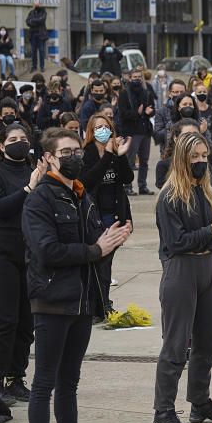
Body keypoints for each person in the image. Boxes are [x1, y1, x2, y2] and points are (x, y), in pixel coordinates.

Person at [22, 127, 132, 423]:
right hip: (53, 303)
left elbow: (95, 245)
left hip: (83, 303)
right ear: (49, 158)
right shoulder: (39, 199)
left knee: (69, 384)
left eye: (76, 151)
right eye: (65, 153)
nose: (73, 157)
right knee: (43, 384)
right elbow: (47, 251)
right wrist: (96, 250)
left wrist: (111, 243)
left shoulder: (82, 196)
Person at [153, 132, 212, 423]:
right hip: (181, 270)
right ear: (182, 158)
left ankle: (199, 402)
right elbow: (176, 242)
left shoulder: (206, 191)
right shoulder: (170, 196)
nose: (201, 162)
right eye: (195, 157)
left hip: (206, 267)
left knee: (207, 340)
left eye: (204, 156)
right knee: (176, 344)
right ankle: (163, 411)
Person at [0, 124, 45, 405]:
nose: (20, 143)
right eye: (13, 139)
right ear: (1, 145)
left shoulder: (36, 171)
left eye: (24, 139)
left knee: (26, 322)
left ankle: (15, 378)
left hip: (28, 255)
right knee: (4, 320)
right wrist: (30, 187)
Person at [81, 113, 134, 316]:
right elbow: (88, 181)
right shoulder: (87, 153)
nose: (102, 130)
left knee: (106, 264)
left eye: (106, 126)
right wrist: (108, 156)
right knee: (98, 263)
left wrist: (119, 156)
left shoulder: (116, 150)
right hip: (95, 215)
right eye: (97, 127)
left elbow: (127, 178)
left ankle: (103, 303)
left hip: (114, 214)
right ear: (91, 132)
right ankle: (99, 305)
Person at [118, 68, 156, 196]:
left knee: (144, 160)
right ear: (129, 78)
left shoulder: (146, 92)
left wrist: (149, 112)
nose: (137, 79)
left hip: (145, 131)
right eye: (134, 77)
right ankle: (127, 186)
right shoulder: (124, 94)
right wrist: (137, 113)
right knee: (130, 160)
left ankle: (142, 186)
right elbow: (123, 114)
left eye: (139, 76)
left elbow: (152, 109)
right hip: (132, 132)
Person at [26, 3, 49, 73]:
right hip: (33, 34)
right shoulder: (31, 12)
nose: (35, 6)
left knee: (41, 51)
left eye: (37, 5)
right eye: (34, 5)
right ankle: (34, 66)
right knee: (33, 51)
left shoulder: (43, 12)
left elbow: (42, 20)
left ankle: (42, 67)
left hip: (40, 34)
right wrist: (35, 21)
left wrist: (33, 21)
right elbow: (27, 21)